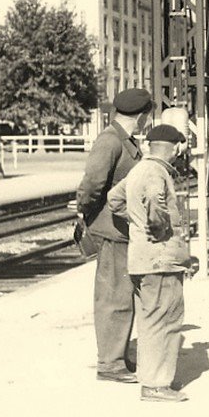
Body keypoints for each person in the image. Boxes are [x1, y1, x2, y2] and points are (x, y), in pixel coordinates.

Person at [107, 124, 193, 403]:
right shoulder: (157, 172)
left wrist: (136, 221)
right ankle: (156, 385)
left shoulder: (138, 170)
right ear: (175, 147)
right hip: (160, 260)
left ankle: (152, 378)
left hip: (140, 259)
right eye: (181, 146)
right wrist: (157, 228)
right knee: (166, 319)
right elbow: (157, 205)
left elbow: (114, 199)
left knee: (150, 321)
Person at [76, 88, 152, 383]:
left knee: (122, 295)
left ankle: (117, 356)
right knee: (113, 296)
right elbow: (92, 184)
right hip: (111, 230)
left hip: (121, 229)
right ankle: (109, 364)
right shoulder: (110, 141)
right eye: (147, 115)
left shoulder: (123, 140)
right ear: (141, 115)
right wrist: (86, 211)